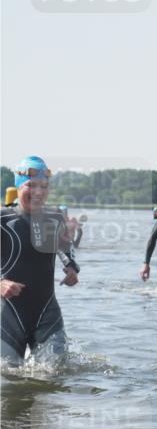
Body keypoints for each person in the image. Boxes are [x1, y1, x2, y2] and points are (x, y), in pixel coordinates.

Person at [1, 155, 80, 363]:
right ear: (18, 187)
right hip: (7, 315)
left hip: (47, 313)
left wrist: (71, 267)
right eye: (31, 185)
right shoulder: (3, 219)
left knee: (54, 376)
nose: (38, 192)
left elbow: (64, 246)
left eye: (44, 186)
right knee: (9, 384)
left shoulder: (54, 218)